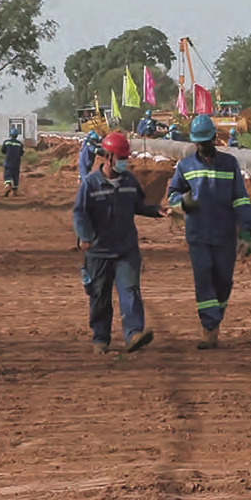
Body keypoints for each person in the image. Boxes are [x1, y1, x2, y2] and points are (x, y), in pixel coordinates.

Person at [73, 131, 167, 355]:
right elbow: (80, 213)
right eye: (121, 158)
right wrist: (85, 236)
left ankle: (134, 334)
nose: (125, 162)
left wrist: (157, 210)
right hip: (99, 251)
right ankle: (100, 338)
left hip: (126, 249)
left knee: (131, 291)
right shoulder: (91, 184)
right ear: (107, 157)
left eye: (126, 158)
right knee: (99, 295)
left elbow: (139, 205)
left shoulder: (129, 181)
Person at [167, 113, 251, 350]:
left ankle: (215, 319)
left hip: (225, 235)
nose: (204, 147)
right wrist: (183, 201)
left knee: (223, 281)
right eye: (199, 143)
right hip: (198, 235)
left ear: (215, 139)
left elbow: (241, 199)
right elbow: (172, 194)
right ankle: (209, 328)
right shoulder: (185, 166)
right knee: (204, 278)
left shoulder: (230, 164)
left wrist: (247, 232)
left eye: (207, 142)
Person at [0, 126, 24, 196]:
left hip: (8, 162)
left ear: (11, 135)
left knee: (7, 175)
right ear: (17, 135)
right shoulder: (20, 144)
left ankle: (7, 185)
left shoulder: (6, 142)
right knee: (15, 176)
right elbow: (21, 153)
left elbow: (3, 151)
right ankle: (15, 191)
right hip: (16, 163)